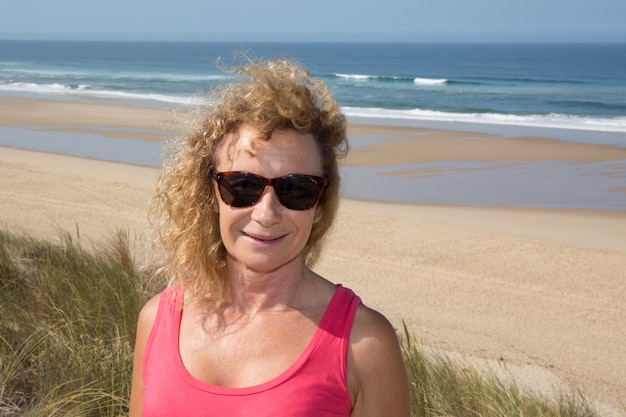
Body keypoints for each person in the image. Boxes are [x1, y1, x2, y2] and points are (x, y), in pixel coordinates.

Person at [129, 58, 411, 417]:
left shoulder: (364, 345)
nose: (266, 213)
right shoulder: (157, 320)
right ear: (211, 193)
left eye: (296, 190)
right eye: (243, 185)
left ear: (319, 204)